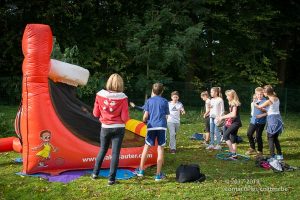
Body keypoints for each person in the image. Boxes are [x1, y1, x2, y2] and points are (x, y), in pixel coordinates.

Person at [91, 73, 129, 186]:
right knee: (115, 153)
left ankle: (94, 174)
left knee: (102, 150)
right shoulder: (123, 98)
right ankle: (111, 180)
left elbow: (95, 113)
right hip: (119, 128)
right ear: (120, 84)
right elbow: (124, 118)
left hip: (105, 128)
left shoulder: (99, 95)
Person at [136, 83, 169, 181]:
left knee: (146, 147)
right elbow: (166, 116)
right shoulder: (165, 101)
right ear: (162, 91)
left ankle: (141, 171)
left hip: (151, 127)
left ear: (152, 91)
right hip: (162, 127)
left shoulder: (149, 101)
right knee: (160, 149)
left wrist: (145, 121)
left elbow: (145, 116)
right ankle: (158, 175)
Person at [255, 85, 284, 160]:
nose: (263, 94)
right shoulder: (277, 98)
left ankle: (272, 156)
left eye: (263, 92)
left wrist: (254, 103)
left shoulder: (269, 101)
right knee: (275, 138)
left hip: (272, 120)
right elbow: (270, 109)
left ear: (266, 93)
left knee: (270, 138)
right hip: (278, 119)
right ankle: (280, 154)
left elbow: (259, 107)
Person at [217, 90, 242, 160]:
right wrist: (225, 116)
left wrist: (222, 117)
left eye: (228, 96)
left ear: (232, 96)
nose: (227, 97)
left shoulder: (234, 104)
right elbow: (231, 114)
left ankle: (233, 153)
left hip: (235, 123)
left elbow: (233, 115)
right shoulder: (231, 103)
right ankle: (234, 156)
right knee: (233, 139)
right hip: (234, 122)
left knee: (225, 136)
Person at [246, 87, 267, 156]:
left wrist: (261, 109)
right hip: (253, 120)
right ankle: (252, 148)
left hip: (261, 122)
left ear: (263, 94)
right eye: (258, 94)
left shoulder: (266, 101)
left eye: (261, 94)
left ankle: (260, 151)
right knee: (249, 134)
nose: (259, 96)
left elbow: (268, 111)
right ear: (255, 94)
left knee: (258, 136)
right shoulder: (255, 100)